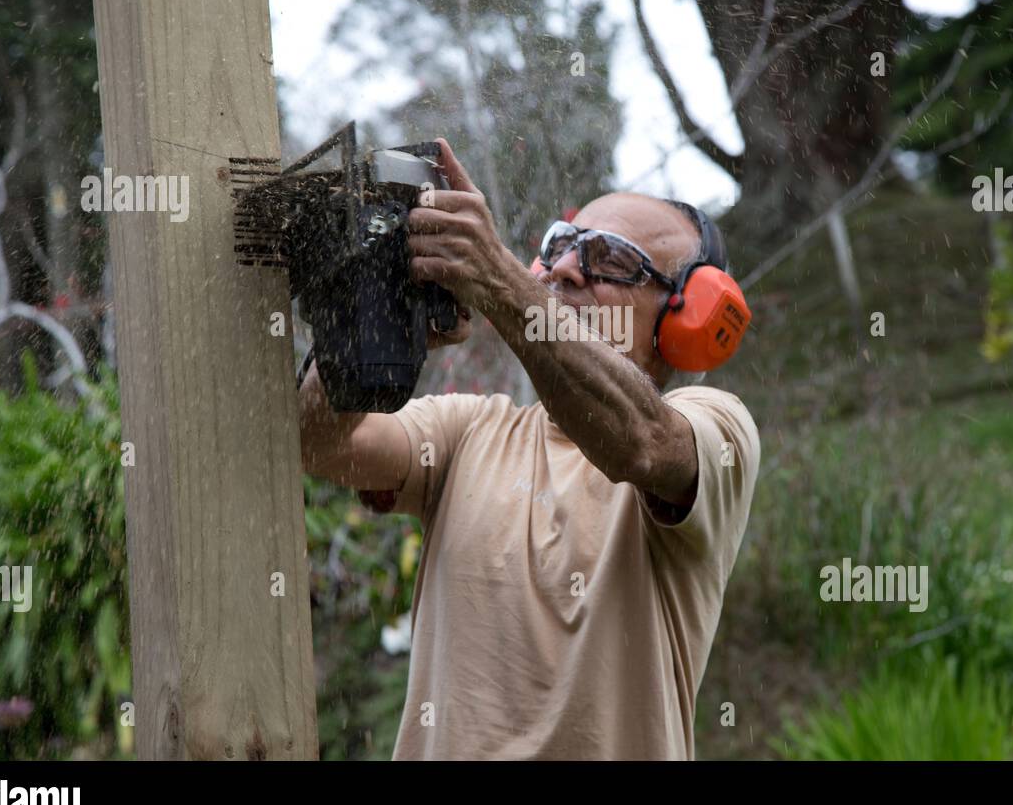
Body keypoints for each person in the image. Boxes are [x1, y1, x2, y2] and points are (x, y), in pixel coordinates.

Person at [298, 138, 760, 759]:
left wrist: (496, 278)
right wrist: (373, 322)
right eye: (560, 246)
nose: (569, 268)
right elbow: (317, 442)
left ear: (683, 322)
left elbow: (641, 445)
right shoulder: (467, 432)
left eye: (610, 259)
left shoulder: (715, 429)